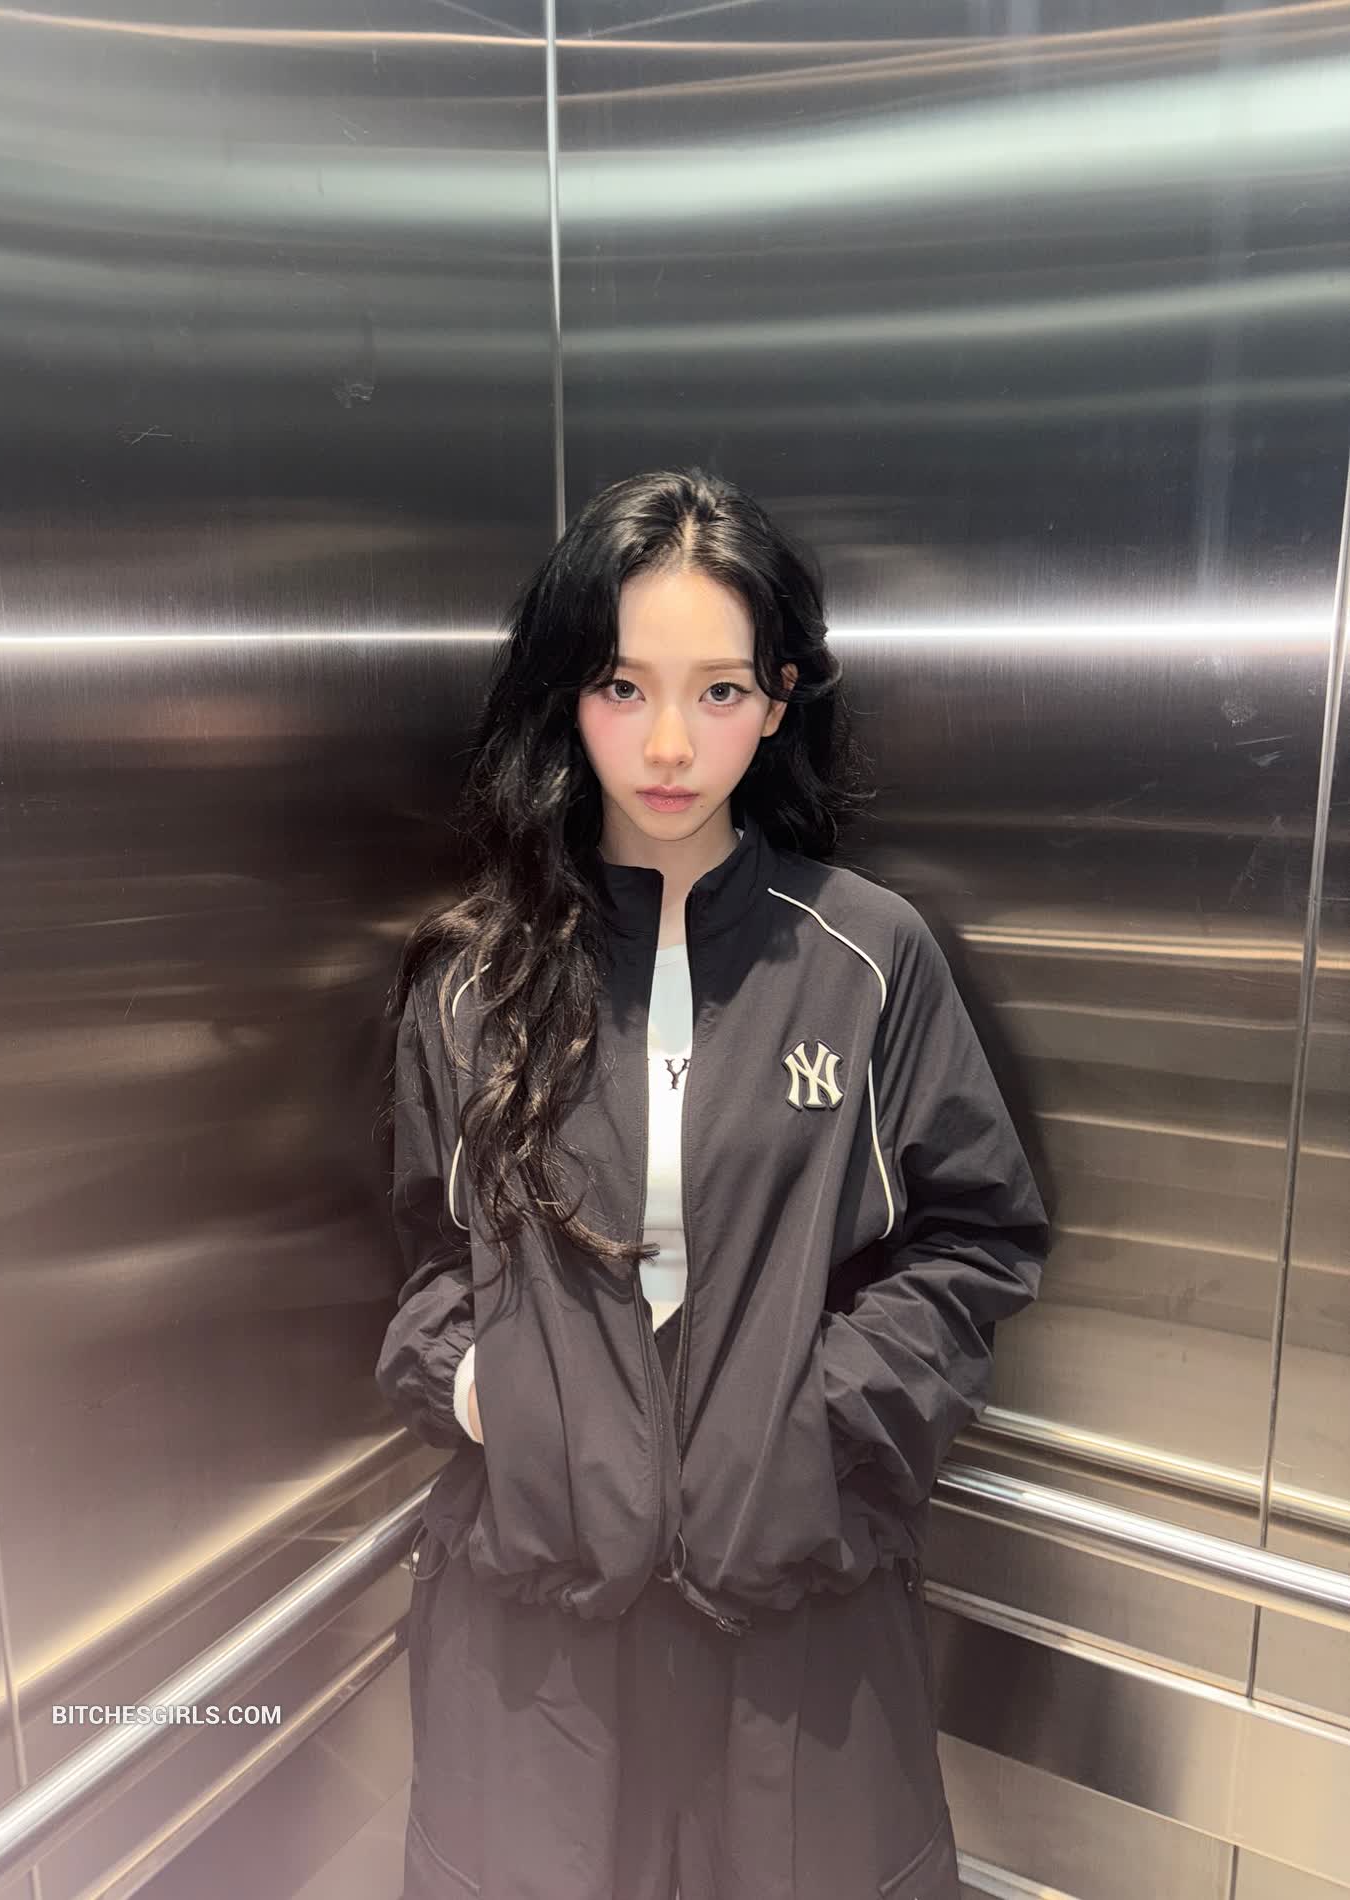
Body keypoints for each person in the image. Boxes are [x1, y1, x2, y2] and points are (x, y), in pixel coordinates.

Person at [375, 466, 1050, 1900]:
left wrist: (817, 1427)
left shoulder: (866, 956)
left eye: (720, 691)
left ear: (779, 699)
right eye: (623, 688)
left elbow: (976, 1238)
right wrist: (487, 1392)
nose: (670, 744)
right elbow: (424, 1257)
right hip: (534, 1624)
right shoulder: (471, 979)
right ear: (567, 695)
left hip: (794, 1620)